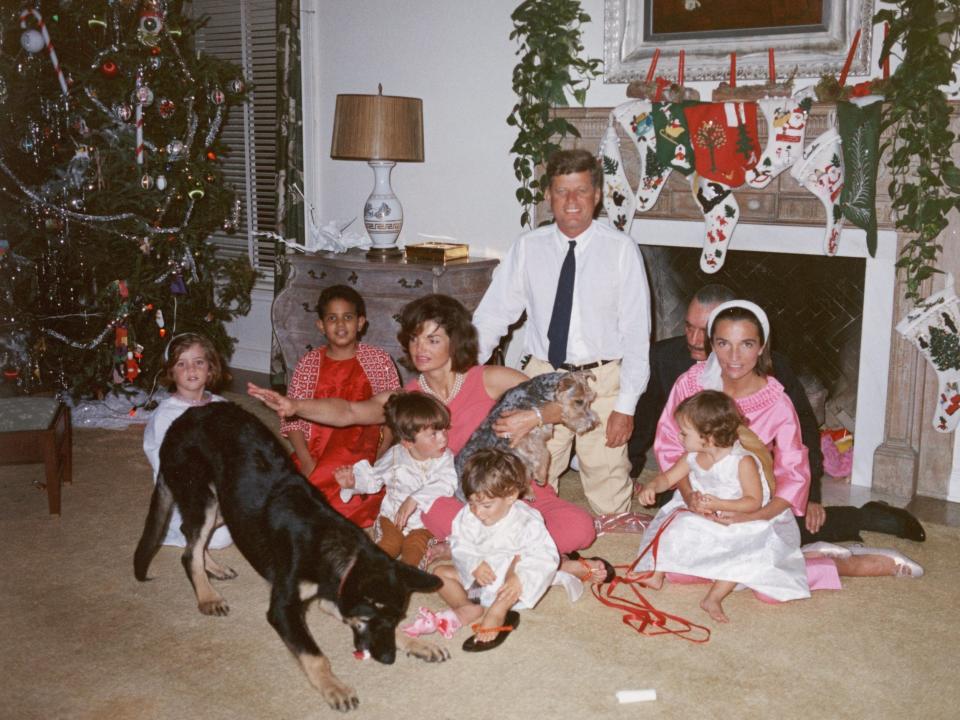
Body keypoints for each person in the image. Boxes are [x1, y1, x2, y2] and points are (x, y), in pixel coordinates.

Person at [248, 294, 609, 580]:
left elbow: (565, 401)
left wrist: (532, 417)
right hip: (460, 503)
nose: (421, 347)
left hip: (516, 489)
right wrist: (294, 405)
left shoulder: (490, 378)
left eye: (433, 339)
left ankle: (482, 556)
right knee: (431, 509)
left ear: (455, 342)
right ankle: (532, 561)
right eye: (415, 338)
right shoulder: (408, 399)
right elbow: (349, 412)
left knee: (581, 528)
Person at [631, 284, 925, 545]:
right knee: (676, 546)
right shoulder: (690, 383)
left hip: (754, 493)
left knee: (793, 531)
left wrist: (788, 505)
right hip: (697, 485)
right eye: (723, 343)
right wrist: (691, 496)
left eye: (746, 344)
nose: (734, 357)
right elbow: (670, 446)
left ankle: (864, 518)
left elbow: (795, 459)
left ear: (760, 347)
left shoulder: (776, 394)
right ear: (714, 342)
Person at [473, 148, 651, 516]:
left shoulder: (621, 250)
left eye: (581, 190)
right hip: (545, 377)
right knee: (531, 480)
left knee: (608, 483)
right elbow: (492, 317)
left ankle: (612, 536)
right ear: (548, 196)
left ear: (597, 195)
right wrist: (461, 375)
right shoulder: (528, 247)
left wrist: (626, 406)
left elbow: (636, 334)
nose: (572, 202)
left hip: (602, 380)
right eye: (561, 191)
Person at [635, 390, 809, 622]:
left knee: (745, 549)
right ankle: (656, 574)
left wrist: (719, 503)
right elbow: (668, 478)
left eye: (684, 433)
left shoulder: (741, 461)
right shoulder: (692, 456)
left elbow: (753, 501)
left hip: (738, 517)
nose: (678, 437)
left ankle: (714, 597)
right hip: (704, 515)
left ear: (708, 437)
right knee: (675, 525)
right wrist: (652, 487)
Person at [281, 284, 400, 528]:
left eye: (348, 317)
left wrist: (379, 456)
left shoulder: (379, 361)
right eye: (332, 318)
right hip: (318, 449)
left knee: (358, 500)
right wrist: (306, 462)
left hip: (364, 451)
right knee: (299, 500)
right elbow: (291, 418)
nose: (341, 325)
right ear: (321, 325)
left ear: (361, 322)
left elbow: (394, 416)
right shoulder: (309, 363)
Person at [430, 449, 560, 652]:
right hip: (480, 578)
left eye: (486, 505)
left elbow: (542, 555)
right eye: (472, 503)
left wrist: (518, 578)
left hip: (508, 581)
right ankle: (466, 606)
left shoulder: (526, 520)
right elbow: (459, 542)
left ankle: (498, 610)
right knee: (438, 574)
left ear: (510, 496)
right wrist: (473, 563)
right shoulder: (469, 515)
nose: (477, 512)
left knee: (522, 566)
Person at [334, 392, 458, 568]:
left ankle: (401, 583)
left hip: (424, 525)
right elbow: (373, 478)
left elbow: (446, 483)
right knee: (387, 547)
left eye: (444, 429)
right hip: (392, 517)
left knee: (414, 555)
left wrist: (414, 498)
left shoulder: (444, 458)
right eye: (434, 434)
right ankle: (364, 576)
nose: (444, 438)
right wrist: (353, 482)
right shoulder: (394, 456)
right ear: (408, 442)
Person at [143, 332, 232, 550]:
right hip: (186, 495)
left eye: (198, 362)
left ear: (210, 367)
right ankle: (178, 531)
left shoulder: (221, 405)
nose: (191, 370)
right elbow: (163, 462)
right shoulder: (166, 415)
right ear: (171, 372)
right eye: (181, 364)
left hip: (220, 487)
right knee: (220, 540)